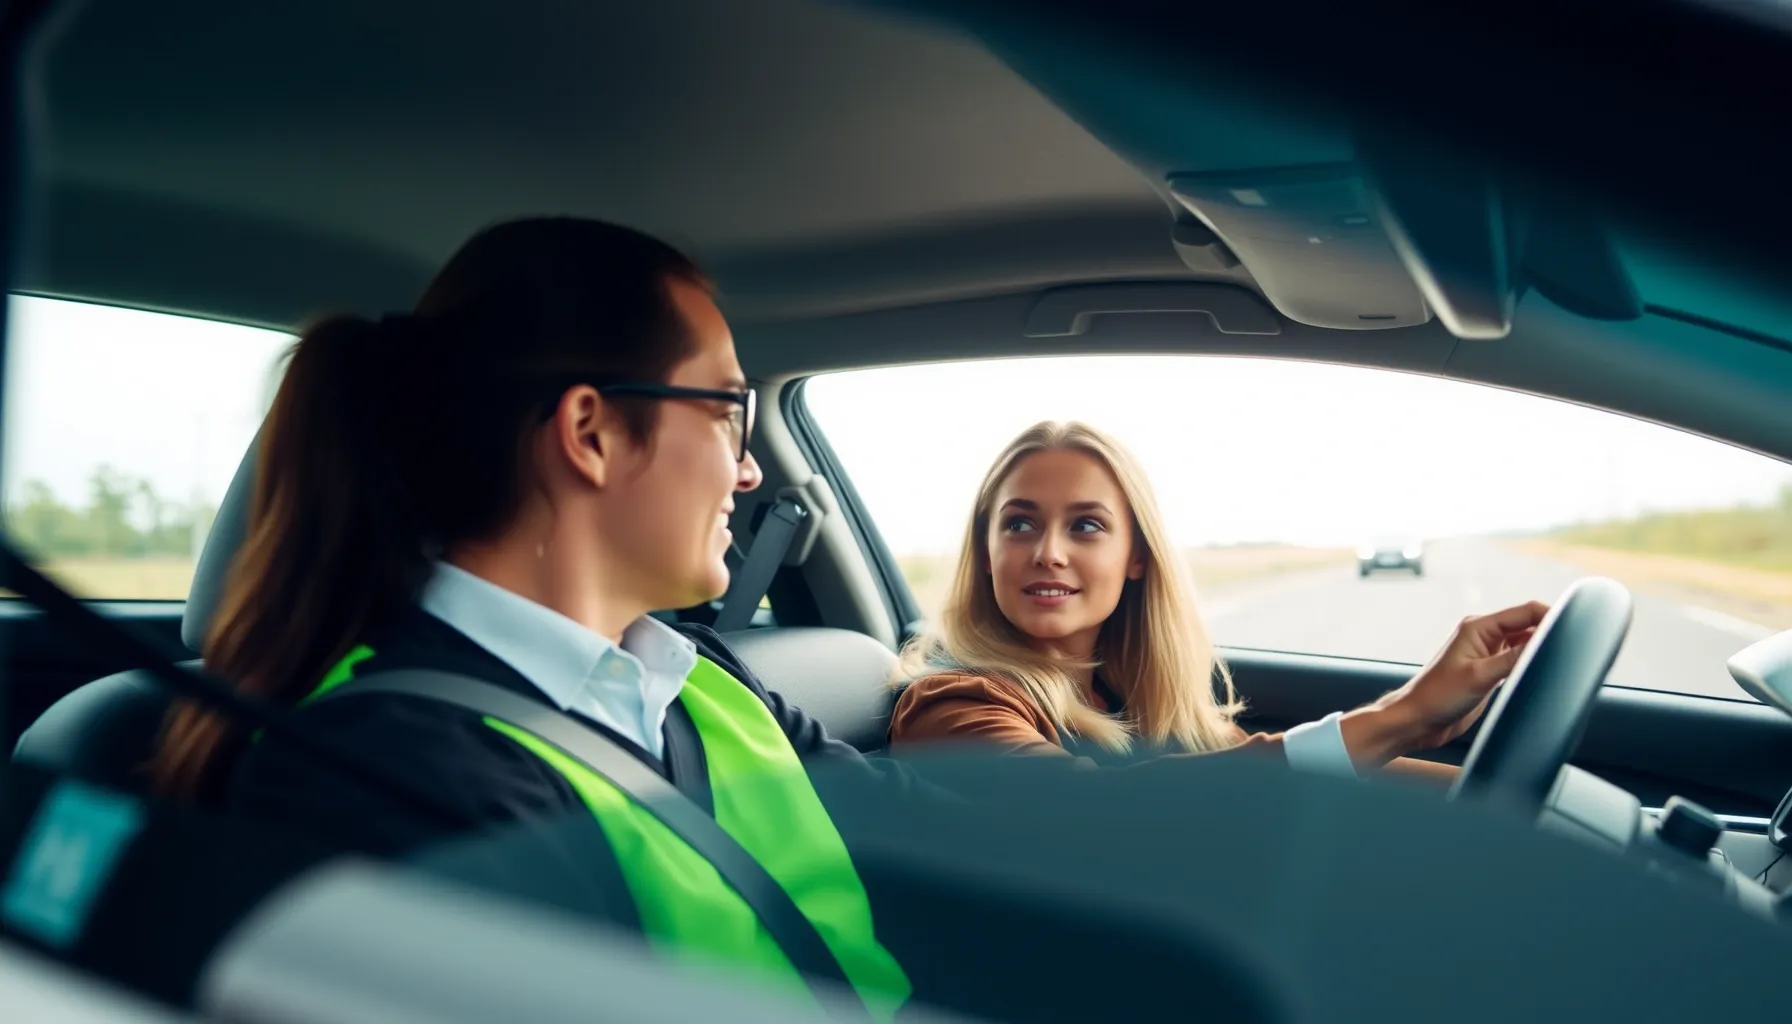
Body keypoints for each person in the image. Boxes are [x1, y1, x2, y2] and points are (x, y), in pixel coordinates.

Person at [148, 217, 913, 1014]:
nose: (749, 469)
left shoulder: (696, 676)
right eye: (727, 412)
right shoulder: (379, 773)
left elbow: (924, 841)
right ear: (591, 434)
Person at [888, 420, 1546, 783]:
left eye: (1085, 525)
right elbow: (1101, 816)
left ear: (1137, 557)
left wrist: (1503, 799)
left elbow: (1268, 765)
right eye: (1019, 524)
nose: (1048, 552)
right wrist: (1401, 715)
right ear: (987, 551)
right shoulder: (953, 706)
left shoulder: (1132, 695)